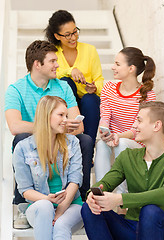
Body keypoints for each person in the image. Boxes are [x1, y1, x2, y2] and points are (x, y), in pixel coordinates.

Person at [5, 40, 93, 227]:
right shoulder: (16, 89)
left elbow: (79, 125)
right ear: (38, 64)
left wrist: (63, 127)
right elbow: (15, 126)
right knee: (20, 139)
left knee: (85, 140)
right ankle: (23, 203)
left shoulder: (62, 87)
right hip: (34, 143)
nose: (58, 65)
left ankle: (78, 198)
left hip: (61, 140)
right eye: (53, 61)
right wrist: (49, 127)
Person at [81, 101, 164, 240]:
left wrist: (120, 199)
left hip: (161, 232)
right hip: (131, 229)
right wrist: (92, 194)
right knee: (88, 208)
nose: (134, 126)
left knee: (150, 211)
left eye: (139, 120)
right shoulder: (128, 156)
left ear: (157, 125)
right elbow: (105, 183)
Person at [13, 95, 83, 240]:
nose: (65, 120)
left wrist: (60, 210)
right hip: (40, 207)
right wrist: (48, 200)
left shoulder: (73, 143)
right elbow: (25, 190)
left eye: (66, 115)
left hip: (71, 206)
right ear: (46, 116)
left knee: (60, 225)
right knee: (45, 206)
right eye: (60, 115)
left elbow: (75, 181)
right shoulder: (23, 148)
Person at [94, 47, 156, 199]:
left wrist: (118, 136)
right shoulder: (108, 88)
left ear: (131, 68)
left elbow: (137, 130)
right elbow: (105, 115)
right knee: (101, 144)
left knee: (122, 143)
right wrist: (104, 131)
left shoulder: (147, 94)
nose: (112, 67)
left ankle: (123, 198)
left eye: (117, 63)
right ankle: (101, 192)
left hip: (136, 145)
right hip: (113, 139)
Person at [45, 9, 104, 145]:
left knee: (91, 99)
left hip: (86, 101)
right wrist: (70, 70)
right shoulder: (52, 52)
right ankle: (66, 142)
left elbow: (99, 78)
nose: (73, 37)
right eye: (67, 35)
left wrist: (95, 88)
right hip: (64, 105)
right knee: (66, 81)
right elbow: (49, 75)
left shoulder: (90, 50)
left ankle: (88, 144)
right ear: (57, 36)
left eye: (75, 32)